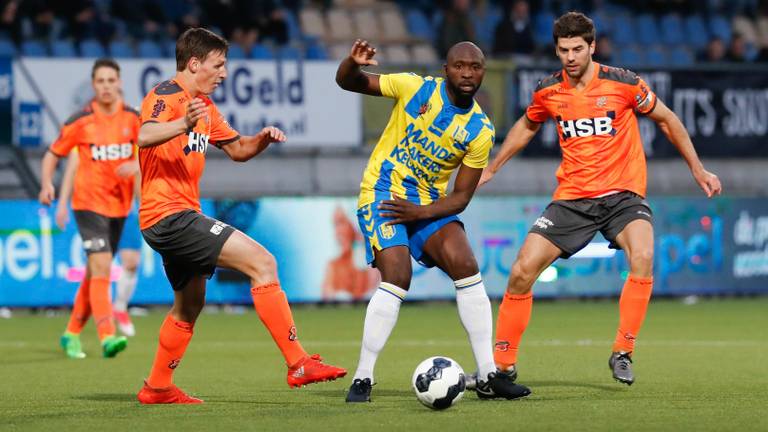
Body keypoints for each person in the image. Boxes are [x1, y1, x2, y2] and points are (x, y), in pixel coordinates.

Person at [480, 11, 722, 386]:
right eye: (564, 50)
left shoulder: (623, 83)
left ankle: (623, 351)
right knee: (520, 271)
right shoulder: (548, 90)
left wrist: (698, 169)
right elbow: (528, 124)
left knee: (642, 255)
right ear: (557, 50)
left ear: (592, 47)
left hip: (623, 196)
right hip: (573, 198)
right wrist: (494, 167)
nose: (571, 57)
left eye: (578, 48)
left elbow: (668, 119)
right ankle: (502, 367)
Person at [135, 27, 346, 404]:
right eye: (218, 65)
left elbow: (238, 150)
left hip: (173, 216)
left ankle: (157, 388)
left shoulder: (207, 109)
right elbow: (145, 135)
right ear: (194, 63)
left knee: (189, 305)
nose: (224, 73)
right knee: (262, 262)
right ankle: (297, 362)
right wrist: (184, 123)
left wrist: (262, 139)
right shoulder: (166, 95)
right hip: (169, 214)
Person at [336, 39, 531, 403]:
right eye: (460, 66)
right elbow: (349, 82)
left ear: (483, 73)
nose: (467, 73)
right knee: (398, 276)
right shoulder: (414, 87)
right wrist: (352, 63)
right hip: (383, 193)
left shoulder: (480, 131)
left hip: (426, 204)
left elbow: (461, 197)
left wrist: (421, 212)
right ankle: (363, 376)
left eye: (475, 67)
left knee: (467, 264)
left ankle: (489, 373)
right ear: (446, 70)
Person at [39, 58, 139, 359]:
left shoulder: (134, 119)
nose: (107, 86)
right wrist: (47, 184)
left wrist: (137, 164)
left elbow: (152, 152)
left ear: (119, 82)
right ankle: (107, 335)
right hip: (88, 204)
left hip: (120, 207)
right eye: (101, 81)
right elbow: (52, 154)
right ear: (93, 85)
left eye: (111, 80)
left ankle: (70, 333)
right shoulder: (80, 122)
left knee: (95, 272)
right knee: (102, 266)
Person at [55, 152, 142, 337]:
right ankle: (95, 329)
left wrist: (143, 204)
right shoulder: (86, 130)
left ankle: (119, 307)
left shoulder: (129, 131)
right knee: (96, 269)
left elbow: (138, 168)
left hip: (125, 210)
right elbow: (71, 166)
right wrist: (62, 203)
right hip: (95, 211)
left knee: (132, 262)